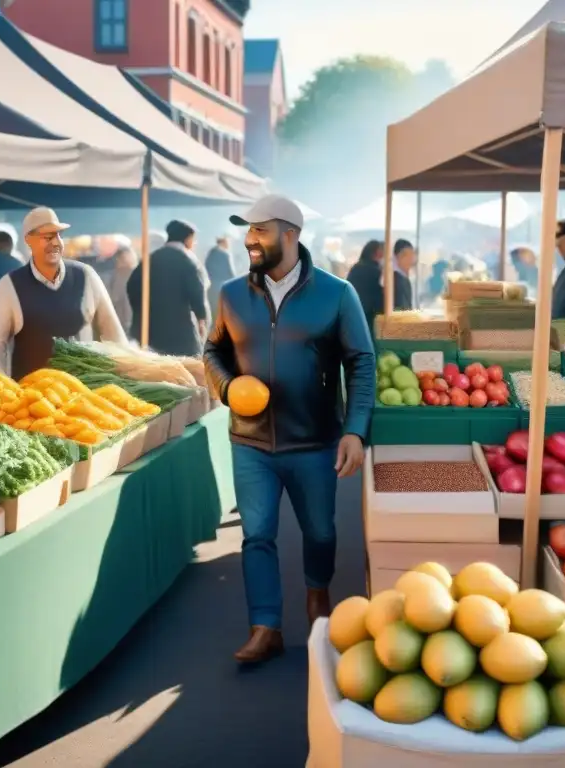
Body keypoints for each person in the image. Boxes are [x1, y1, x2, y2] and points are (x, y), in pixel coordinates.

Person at [203, 194, 375, 665]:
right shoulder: (231, 294)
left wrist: (355, 430)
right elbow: (212, 351)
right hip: (251, 442)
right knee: (256, 535)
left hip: (315, 441)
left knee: (320, 533)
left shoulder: (337, 294)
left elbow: (361, 363)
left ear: (291, 234)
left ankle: (317, 596)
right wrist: (227, 386)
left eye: (259, 230)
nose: (249, 239)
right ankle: (266, 626)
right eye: (247, 230)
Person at [0, 207, 127, 378]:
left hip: (85, 396)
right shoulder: (10, 285)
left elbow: (114, 335)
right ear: (29, 240)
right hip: (31, 399)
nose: (55, 242)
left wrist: (124, 378)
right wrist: (0, 383)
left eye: (59, 235)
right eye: (47, 237)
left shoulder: (86, 276)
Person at [127, 220, 210, 356]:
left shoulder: (149, 260)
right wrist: (202, 317)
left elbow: (132, 286)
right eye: (193, 239)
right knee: (185, 369)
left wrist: (141, 310)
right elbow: (197, 292)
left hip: (149, 328)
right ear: (188, 238)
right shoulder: (188, 261)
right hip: (179, 330)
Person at [346, 239, 384, 337]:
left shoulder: (355, 268)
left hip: (351, 315)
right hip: (370, 318)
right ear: (376, 253)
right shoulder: (376, 272)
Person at [205, 236, 236, 315]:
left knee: (214, 314)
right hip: (222, 289)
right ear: (223, 241)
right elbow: (231, 274)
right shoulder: (225, 254)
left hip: (211, 289)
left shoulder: (211, 253)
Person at [392, 239, 416, 311]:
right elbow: (402, 308)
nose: (412, 260)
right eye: (409, 256)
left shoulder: (403, 278)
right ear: (399, 257)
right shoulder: (396, 279)